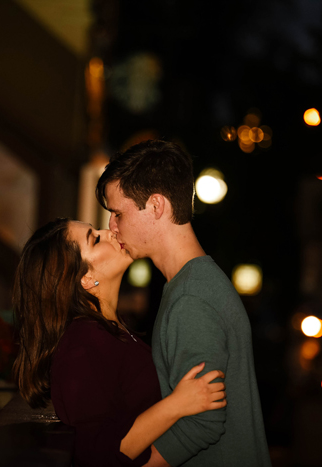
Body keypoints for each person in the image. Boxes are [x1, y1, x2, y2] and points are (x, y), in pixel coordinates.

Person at [96, 139, 271, 466]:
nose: (112, 226)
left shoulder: (192, 298)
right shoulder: (193, 284)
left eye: (119, 213)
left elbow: (203, 422)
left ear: (156, 206)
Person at [12, 218, 226, 467]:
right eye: (96, 239)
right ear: (85, 278)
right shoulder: (82, 343)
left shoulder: (111, 329)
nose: (110, 232)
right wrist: (177, 404)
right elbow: (95, 453)